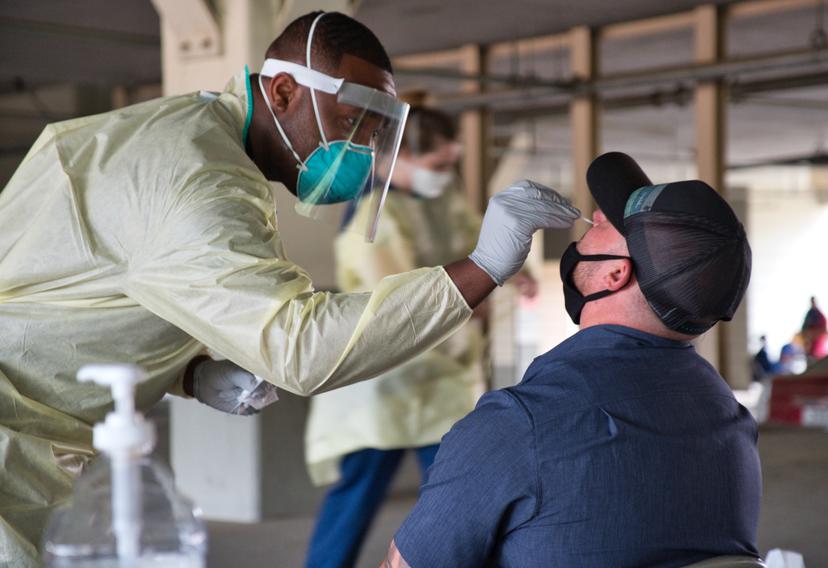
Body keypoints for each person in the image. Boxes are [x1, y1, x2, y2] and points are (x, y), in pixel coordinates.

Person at [0, 11, 580, 566]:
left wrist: (186, 371)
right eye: (352, 120)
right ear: (283, 92)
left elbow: (76, 293)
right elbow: (299, 349)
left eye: (374, 131)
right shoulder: (198, 181)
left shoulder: (179, 138)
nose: (360, 147)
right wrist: (484, 266)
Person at [383, 152, 762, 568]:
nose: (596, 214)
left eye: (611, 223)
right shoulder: (730, 420)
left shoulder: (519, 425)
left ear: (616, 273)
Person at [303, 107, 537, 567]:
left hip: (441, 379)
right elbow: (400, 309)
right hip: (383, 381)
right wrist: (473, 302)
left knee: (463, 492)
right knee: (357, 497)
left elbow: (480, 243)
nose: (445, 177)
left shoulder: (444, 200)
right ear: (399, 158)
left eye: (451, 165)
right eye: (437, 167)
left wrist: (519, 269)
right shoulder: (373, 220)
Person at [801, 296, 828, 361]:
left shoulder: (820, 315)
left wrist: (813, 334)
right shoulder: (809, 314)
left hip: (818, 349)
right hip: (809, 351)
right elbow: (804, 329)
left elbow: (824, 330)